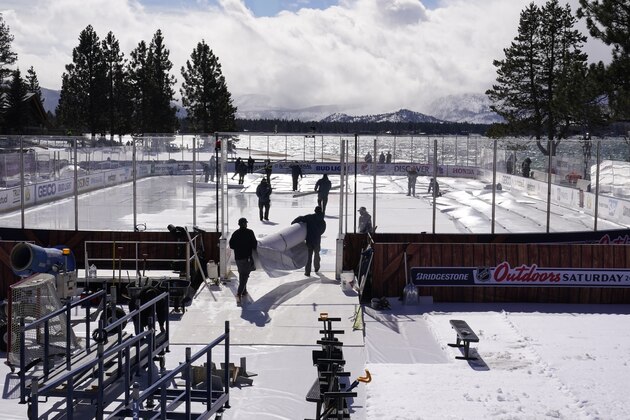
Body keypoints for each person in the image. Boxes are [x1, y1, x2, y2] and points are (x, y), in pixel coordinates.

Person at [229, 217, 258, 303]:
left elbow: (231, 245)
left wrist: (239, 247)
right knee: (244, 276)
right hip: (246, 258)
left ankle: (244, 291)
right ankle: (238, 294)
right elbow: (254, 244)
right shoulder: (250, 232)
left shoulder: (235, 233)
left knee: (242, 274)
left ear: (239, 224)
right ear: (245, 224)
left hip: (238, 258)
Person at [292, 206, 326, 276]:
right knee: (317, 255)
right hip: (317, 240)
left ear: (315, 211)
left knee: (309, 257)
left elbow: (300, 218)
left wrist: (293, 222)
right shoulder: (322, 221)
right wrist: (318, 234)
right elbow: (323, 230)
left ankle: (307, 272)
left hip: (309, 240)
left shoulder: (309, 217)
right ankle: (317, 268)